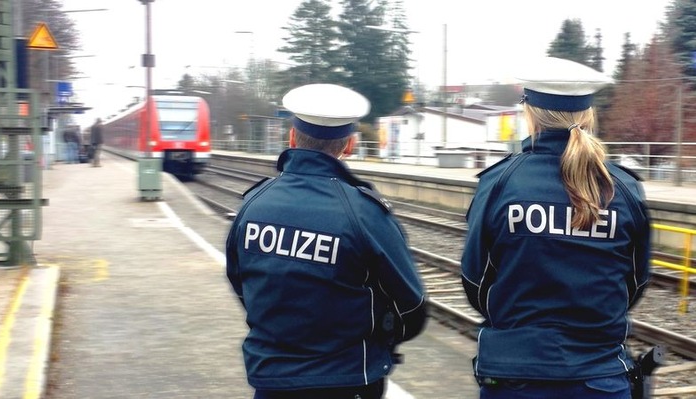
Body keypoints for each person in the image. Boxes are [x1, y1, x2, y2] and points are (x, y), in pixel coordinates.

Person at [460, 57, 651, 399]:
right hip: (600, 378)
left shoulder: (499, 184)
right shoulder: (623, 189)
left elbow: (476, 281)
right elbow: (635, 282)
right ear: (588, 115)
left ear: (530, 113)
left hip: (515, 377)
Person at [226, 83, 427, 399]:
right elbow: (412, 305)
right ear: (348, 145)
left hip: (271, 380)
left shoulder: (253, 205)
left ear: (292, 138)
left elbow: (241, 282)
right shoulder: (364, 213)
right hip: (348, 380)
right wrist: (380, 339)